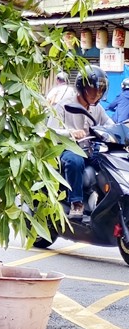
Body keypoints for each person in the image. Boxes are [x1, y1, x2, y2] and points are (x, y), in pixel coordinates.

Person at [49, 65, 113, 218]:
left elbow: (109, 124)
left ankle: (107, 202)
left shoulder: (97, 108)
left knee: (109, 160)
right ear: (81, 87)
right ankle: (76, 203)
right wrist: (70, 133)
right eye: (92, 89)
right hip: (68, 149)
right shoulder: (64, 105)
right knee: (75, 161)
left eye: (100, 90)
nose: (96, 94)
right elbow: (50, 131)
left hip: (89, 150)